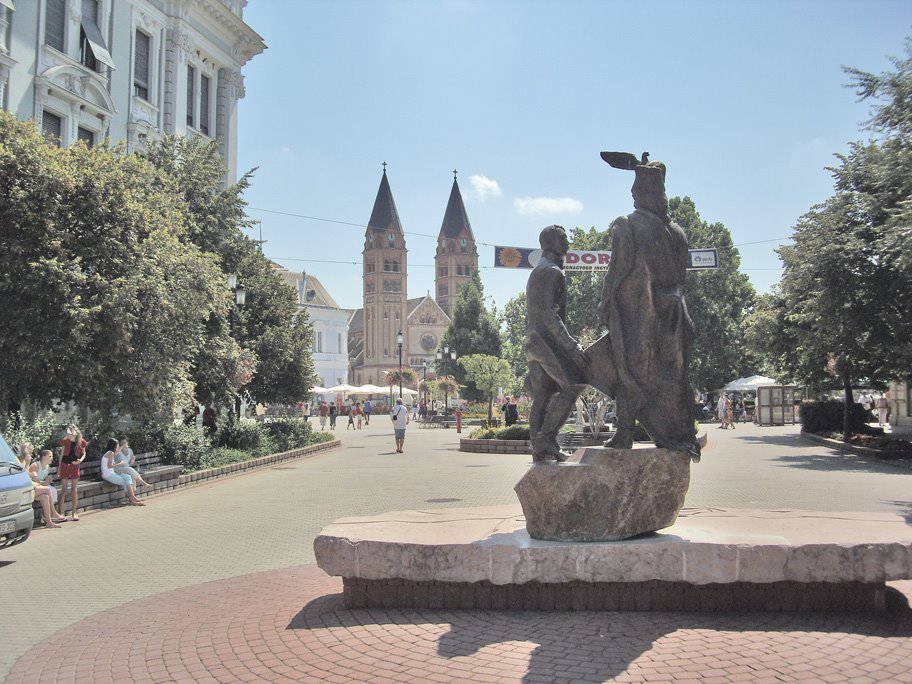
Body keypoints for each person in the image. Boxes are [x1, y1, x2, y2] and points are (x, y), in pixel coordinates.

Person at [597, 158, 700, 459]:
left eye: (635, 191)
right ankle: (677, 433)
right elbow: (680, 279)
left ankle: (625, 432)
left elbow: (615, 273)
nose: (632, 195)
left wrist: (606, 305)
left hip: (637, 316)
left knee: (627, 369)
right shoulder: (677, 232)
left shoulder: (627, 226)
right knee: (669, 376)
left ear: (642, 194)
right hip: (672, 317)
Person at [524, 225, 589, 462]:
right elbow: (550, 315)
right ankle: (546, 439)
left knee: (542, 395)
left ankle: (540, 449)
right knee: (573, 386)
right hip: (546, 343)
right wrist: (571, 346)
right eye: (563, 239)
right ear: (550, 244)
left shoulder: (537, 271)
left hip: (533, 343)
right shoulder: (552, 272)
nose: (567, 244)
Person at [21, 445, 65, 527]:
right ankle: (54, 513)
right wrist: (31, 474)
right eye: (29, 455)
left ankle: (49, 522)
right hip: (26, 490)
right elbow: (23, 477)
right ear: (24, 455)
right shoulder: (22, 464)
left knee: (45, 497)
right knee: (48, 489)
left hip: (32, 488)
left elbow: (36, 480)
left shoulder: (26, 464)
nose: (31, 457)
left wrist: (45, 481)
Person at [100, 438, 144, 506]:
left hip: (111, 474)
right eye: (117, 445)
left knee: (128, 477)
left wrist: (121, 447)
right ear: (114, 446)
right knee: (127, 481)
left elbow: (115, 456)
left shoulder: (110, 453)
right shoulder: (110, 453)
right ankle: (132, 499)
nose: (118, 447)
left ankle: (132, 498)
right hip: (108, 475)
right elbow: (109, 466)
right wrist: (120, 464)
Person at [58, 424, 88, 521]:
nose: (69, 436)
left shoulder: (81, 441)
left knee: (74, 489)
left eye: (71, 434)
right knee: (64, 490)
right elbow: (62, 454)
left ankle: (74, 512)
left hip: (75, 465)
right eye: (68, 434)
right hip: (65, 465)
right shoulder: (65, 441)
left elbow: (84, 453)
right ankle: (59, 513)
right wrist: (59, 468)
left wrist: (80, 461)